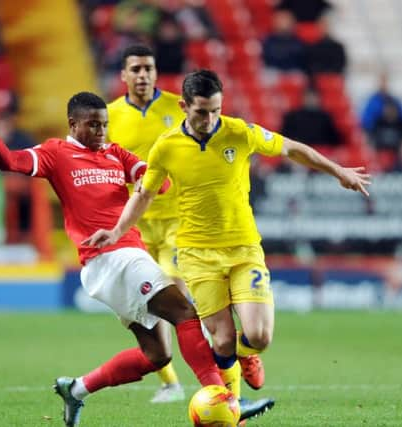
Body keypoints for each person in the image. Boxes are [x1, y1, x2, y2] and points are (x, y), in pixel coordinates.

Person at [0, 91, 272, 426]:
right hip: (108, 257)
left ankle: (77, 388)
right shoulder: (56, 152)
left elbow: (161, 182)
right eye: (93, 125)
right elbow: (9, 162)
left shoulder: (115, 153)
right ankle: (226, 399)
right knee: (184, 311)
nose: (101, 132)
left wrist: (146, 178)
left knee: (158, 355)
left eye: (105, 125)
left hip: (126, 256)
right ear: (73, 124)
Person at [85, 70, 371, 408]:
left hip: (243, 249)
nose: (210, 119)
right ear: (183, 106)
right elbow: (144, 195)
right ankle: (229, 406)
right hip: (196, 254)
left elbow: (291, 148)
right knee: (221, 343)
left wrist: (339, 171)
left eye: (216, 110)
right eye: (201, 111)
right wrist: (118, 230)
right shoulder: (166, 146)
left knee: (260, 337)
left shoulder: (240, 132)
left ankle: (247, 355)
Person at [107, 44, 187, 403]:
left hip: (177, 220)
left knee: (175, 291)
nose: (142, 75)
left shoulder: (178, 108)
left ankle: (216, 375)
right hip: (134, 226)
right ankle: (170, 381)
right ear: (123, 75)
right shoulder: (108, 116)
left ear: (156, 72)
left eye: (148, 68)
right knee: (140, 307)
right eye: (135, 69)